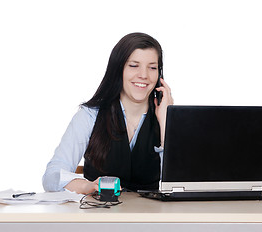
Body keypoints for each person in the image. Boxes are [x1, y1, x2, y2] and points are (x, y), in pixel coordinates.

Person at [42, 32, 173, 195]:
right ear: (118, 69)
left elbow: (182, 182)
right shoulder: (90, 115)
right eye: (134, 65)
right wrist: (86, 187)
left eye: (152, 67)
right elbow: (51, 176)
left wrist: (167, 123)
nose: (144, 75)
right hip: (99, 214)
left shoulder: (167, 119)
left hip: (153, 217)